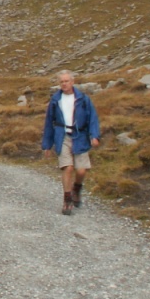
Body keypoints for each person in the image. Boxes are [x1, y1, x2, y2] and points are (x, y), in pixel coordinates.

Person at [41, 70, 101, 215]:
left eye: (66, 81)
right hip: (62, 136)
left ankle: (77, 188)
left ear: (72, 82)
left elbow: (92, 118)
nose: (64, 84)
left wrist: (94, 136)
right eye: (61, 81)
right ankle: (67, 199)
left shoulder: (83, 99)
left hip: (80, 136)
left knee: (81, 170)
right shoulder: (55, 100)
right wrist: (47, 145)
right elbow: (49, 122)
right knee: (67, 168)